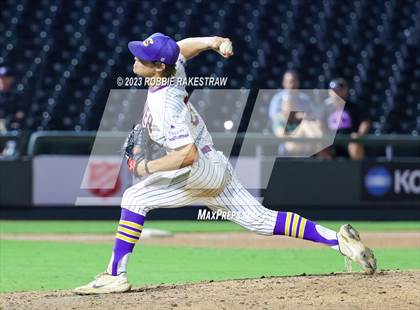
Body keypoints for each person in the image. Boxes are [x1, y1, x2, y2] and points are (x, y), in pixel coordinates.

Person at [74, 33, 376, 295]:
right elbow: (182, 48)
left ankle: (115, 276)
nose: (136, 58)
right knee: (260, 220)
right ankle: (338, 241)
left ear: (157, 67)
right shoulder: (172, 72)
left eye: (143, 56)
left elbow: (186, 154)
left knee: (134, 197)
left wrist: (145, 169)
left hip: (197, 169)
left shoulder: (163, 104)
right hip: (215, 165)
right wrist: (213, 42)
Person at [323, 78, 371, 160]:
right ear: (330, 92)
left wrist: (359, 134)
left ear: (345, 91)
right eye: (334, 91)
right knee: (320, 144)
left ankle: (356, 171)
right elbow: (318, 123)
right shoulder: (324, 108)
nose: (337, 93)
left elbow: (365, 122)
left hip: (349, 140)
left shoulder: (353, 107)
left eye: (339, 90)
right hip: (331, 142)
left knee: (355, 144)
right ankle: (328, 170)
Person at [0, 66, 25, 132]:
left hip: (10, 126)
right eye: (1, 78)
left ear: (11, 79)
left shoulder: (16, 96)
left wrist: (14, 120)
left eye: (5, 78)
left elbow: (20, 113)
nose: (2, 80)